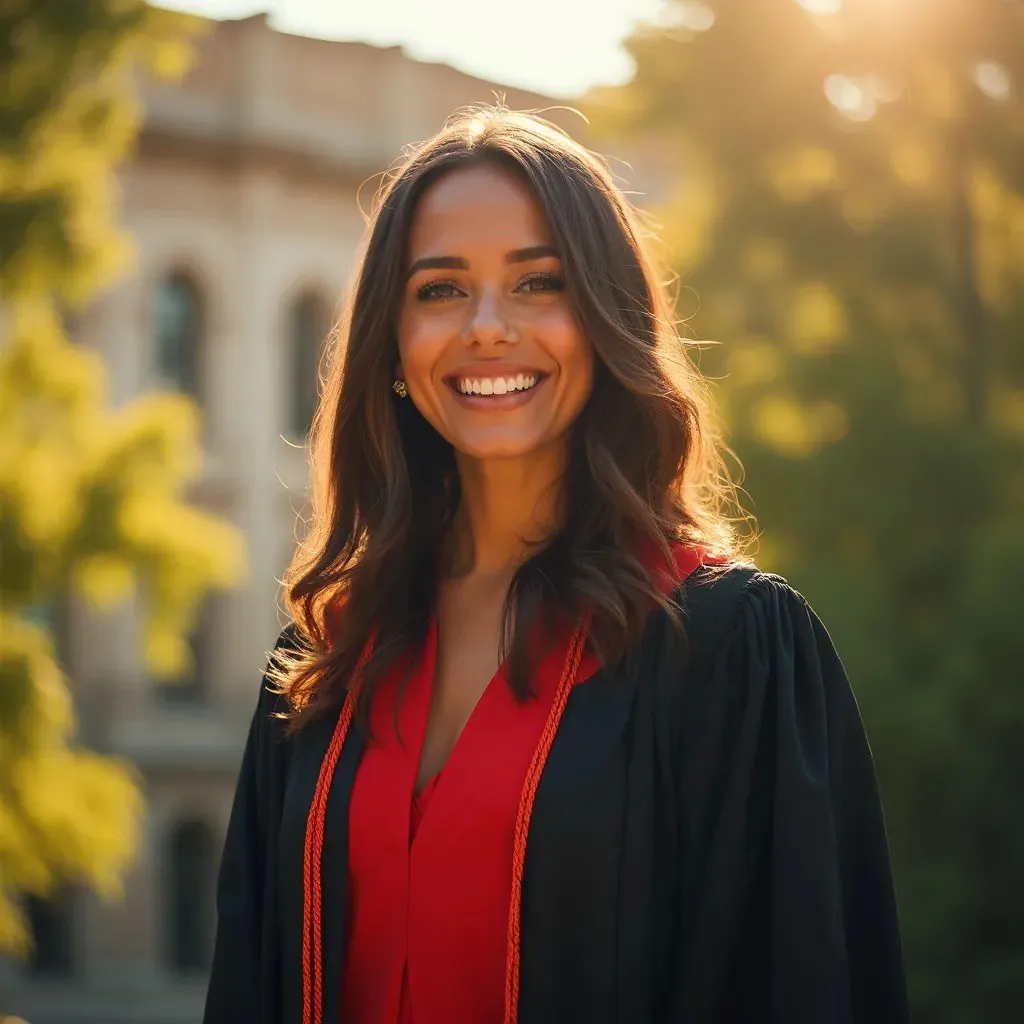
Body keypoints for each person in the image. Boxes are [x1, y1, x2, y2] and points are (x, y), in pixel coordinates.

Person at [203, 106, 908, 1024]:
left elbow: (798, 988)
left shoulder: (724, 650)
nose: (488, 328)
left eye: (539, 283)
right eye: (441, 290)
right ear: (392, 346)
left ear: (607, 319)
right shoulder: (324, 665)